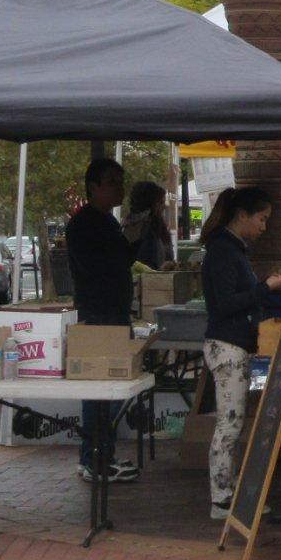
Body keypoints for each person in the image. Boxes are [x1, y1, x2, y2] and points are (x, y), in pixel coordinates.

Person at [198, 186, 281, 520]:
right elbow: (223, 305)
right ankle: (221, 498)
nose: (264, 227)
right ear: (242, 215)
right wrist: (264, 288)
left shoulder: (232, 249)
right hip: (227, 346)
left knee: (234, 421)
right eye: (262, 219)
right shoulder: (223, 251)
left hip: (237, 343)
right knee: (230, 423)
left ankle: (229, 490)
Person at [66, 157, 138, 484]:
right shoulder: (84, 225)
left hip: (113, 313)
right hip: (99, 316)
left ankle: (97, 455)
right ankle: (95, 458)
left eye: (121, 181)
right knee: (100, 390)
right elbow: (103, 266)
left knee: (108, 392)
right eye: (113, 182)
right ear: (94, 187)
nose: (120, 188)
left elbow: (123, 260)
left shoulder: (107, 223)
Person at [122, 180, 173, 270]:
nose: (164, 206)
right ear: (151, 204)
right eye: (161, 202)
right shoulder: (140, 228)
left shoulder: (156, 226)